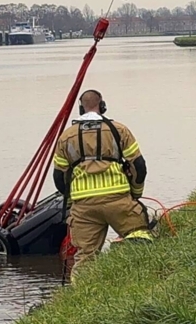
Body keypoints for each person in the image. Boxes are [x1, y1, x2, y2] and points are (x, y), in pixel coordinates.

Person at [52, 90, 152, 273]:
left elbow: (59, 177)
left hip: (84, 207)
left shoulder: (66, 137)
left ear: (81, 108)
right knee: (139, 235)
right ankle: (141, 277)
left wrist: (71, 203)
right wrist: (136, 194)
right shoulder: (119, 130)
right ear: (103, 106)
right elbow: (139, 166)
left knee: (85, 258)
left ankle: (81, 295)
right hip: (118, 201)